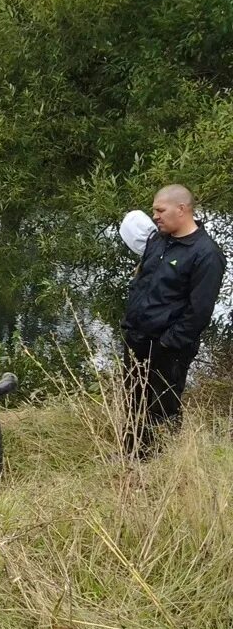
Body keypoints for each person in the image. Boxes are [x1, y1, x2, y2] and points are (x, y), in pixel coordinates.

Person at [121, 184, 226, 456]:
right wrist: (131, 325)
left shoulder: (206, 254)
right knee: (133, 401)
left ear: (182, 209)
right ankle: (130, 456)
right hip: (137, 338)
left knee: (162, 406)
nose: (154, 215)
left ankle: (160, 464)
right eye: (154, 210)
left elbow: (200, 310)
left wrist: (169, 342)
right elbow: (142, 283)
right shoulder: (158, 241)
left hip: (169, 347)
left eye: (160, 210)